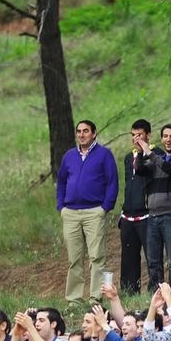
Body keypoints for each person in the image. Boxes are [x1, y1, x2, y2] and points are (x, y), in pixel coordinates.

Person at [56, 120, 118, 302]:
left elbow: (112, 182)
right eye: (79, 132)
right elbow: (61, 182)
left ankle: (95, 298)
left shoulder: (104, 155)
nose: (82, 135)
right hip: (71, 213)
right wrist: (61, 207)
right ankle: (74, 299)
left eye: (86, 131)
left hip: (94, 212)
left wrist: (105, 207)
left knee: (97, 257)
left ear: (94, 133)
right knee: (74, 259)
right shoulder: (69, 156)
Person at [137, 123, 171, 292]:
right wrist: (140, 151)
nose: (168, 140)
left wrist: (149, 153)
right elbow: (139, 170)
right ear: (161, 138)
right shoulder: (155, 160)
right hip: (153, 215)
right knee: (153, 259)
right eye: (165, 136)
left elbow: (169, 169)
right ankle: (157, 292)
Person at [119, 119, 152, 293]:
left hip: (146, 214)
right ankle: (129, 292)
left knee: (151, 256)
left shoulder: (155, 154)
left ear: (148, 135)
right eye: (133, 135)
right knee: (128, 257)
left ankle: (156, 290)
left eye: (139, 135)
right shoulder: (127, 157)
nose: (135, 139)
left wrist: (144, 152)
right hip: (128, 215)